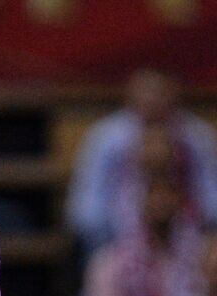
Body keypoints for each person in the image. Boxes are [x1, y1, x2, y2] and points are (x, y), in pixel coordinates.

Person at [67, 68, 217, 252]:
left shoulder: (196, 137)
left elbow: (211, 195)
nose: (152, 99)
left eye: (158, 92)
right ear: (130, 95)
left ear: (173, 93)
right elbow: (86, 206)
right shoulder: (106, 137)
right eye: (146, 91)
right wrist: (109, 248)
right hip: (116, 239)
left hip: (189, 240)